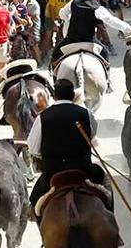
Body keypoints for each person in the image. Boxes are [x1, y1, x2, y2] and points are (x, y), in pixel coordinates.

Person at [27, 79, 105, 221]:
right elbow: (92, 134)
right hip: (83, 168)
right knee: (106, 191)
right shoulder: (85, 113)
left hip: (52, 172)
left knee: (34, 202)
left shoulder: (42, 117)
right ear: (72, 95)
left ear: (54, 96)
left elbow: (33, 149)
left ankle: (44, 235)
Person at [55, 0, 131, 63]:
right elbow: (111, 20)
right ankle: (107, 78)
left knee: (55, 55)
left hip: (71, 39)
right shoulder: (97, 7)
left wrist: (69, 20)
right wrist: (130, 28)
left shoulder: (74, 2)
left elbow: (61, 14)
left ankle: (53, 73)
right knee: (105, 55)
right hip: (89, 41)